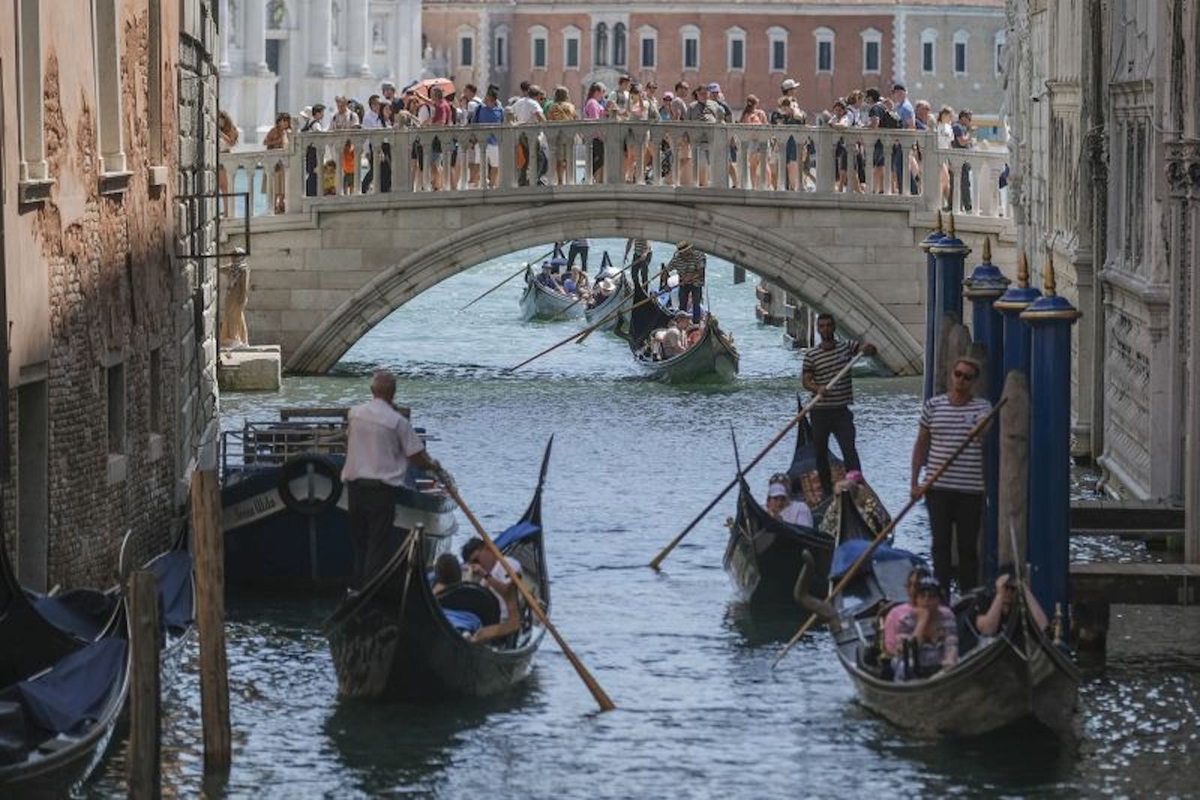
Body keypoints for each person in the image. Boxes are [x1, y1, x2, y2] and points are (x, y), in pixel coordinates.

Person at [342, 371, 448, 590]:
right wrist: (434, 466)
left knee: (359, 543)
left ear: (372, 391)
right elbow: (417, 458)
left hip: (354, 489)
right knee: (376, 545)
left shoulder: (354, 414)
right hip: (381, 493)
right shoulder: (397, 422)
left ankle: (356, 588)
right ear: (393, 393)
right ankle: (370, 591)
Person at [910, 356, 991, 595]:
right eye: (958, 374)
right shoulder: (933, 406)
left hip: (970, 490)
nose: (961, 380)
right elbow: (921, 445)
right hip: (937, 488)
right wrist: (914, 483)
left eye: (967, 377)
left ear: (973, 381)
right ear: (951, 375)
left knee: (967, 547)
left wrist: (981, 426)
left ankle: (969, 597)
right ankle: (940, 595)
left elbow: (985, 429)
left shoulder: (982, 408)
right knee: (940, 545)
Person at [802, 313, 877, 498]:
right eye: (822, 326)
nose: (826, 329)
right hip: (819, 412)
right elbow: (805, 380)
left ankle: (857, 486)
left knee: (849, 450)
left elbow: (870, 351)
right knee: (820, 454)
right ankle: (828, 493)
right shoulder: (812, 355)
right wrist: (817, 388)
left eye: (829, 325)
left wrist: (867, 348)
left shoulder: (847, 347)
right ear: (818, 330)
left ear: (834, 328)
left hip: (841, 411)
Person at [895, 575, 959, 680]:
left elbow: (951, 643)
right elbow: (908, 652)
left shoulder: (947, 616)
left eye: (931, 597)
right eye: (922, 596)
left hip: (941, 668)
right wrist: (922, 621)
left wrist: (950, 659)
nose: (926, 601)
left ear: (939, 600)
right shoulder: (906, 621)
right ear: (916, 600)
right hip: (912, 670)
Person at [461, 537, 522, 643]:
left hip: (508, 622)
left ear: (487, 549)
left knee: (481, 635)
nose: (477, 565)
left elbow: (507, 591)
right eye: (474, 563)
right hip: (490, 621)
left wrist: (485, 574)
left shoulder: (508, 564)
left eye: (477, 560)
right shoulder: (484, 579)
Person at [974, 565, 1050, 637]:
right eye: (1006, 588)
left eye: (1013, 589)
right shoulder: (985, 600)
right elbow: (987, 630)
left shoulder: (1019, 607)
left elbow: (1044, 627)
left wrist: (1024, 589)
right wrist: (999, 595)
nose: (1009, 593)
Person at [882, 566, 933, 656]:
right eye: (909, 585)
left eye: (917, 585)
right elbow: (890, 647)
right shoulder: (895, 613)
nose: (913, 590)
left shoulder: (938, 610)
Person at [473, 85, 505, 188]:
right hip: (481, 141)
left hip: (494, 143)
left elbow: (503, 124)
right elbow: (474, 123)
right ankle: (478, 184)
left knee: (495, 166)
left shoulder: (500, 110)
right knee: (478, 164)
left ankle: (491, 185)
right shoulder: (479, 108)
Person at [218, 247, 250, 347]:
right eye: (233, 256)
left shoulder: (243, 270)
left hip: (238, 297)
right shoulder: (231, 267)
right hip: (230, 296)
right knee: (232, 316)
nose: (234, 258)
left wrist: (242, 298)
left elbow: (244, 286)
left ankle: (235, 338)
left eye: (236, 256)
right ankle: (236, 339)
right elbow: (221, 269)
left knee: (235, 317)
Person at [667, 241, 705, 323]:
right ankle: (681, 322)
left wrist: (689, 278)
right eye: (682, 253)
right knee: (682, 304)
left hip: (696, 282)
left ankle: (696, 323)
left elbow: (700, 272)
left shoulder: (698, 256)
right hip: (683, 283)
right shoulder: (676, 259)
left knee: (696, 304)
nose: (684, 255)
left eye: (686, 252)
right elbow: (665, 271)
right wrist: (666, 285)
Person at [951, 109, 975, 211]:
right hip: (959, 160)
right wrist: (970, 133)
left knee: (963, 184)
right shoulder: (958, 127)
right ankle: (968, 207)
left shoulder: (963, 128)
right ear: (963, 118)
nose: (970, 121)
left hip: (963, 160)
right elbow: (962, 142)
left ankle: (962, 206)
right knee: (964, 184)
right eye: (969, 119)